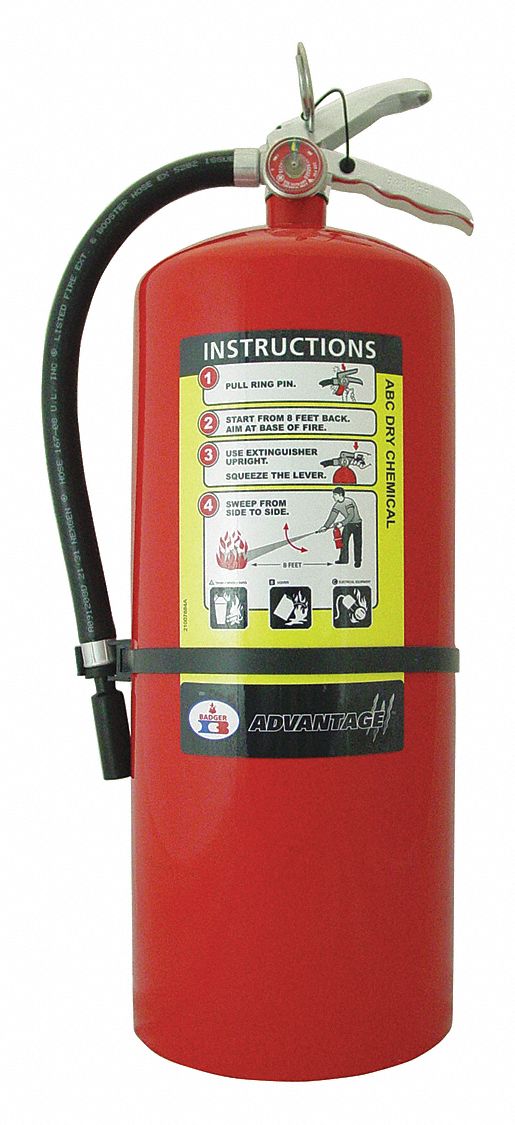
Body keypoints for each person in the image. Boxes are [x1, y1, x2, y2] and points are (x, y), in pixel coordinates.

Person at [317, 487, 362, 566]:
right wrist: (325, 527)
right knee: (343, 542)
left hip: (356, 524)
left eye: (335, 495)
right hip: (348, 524)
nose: (333, 496)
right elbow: (332, 517)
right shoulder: (337, 505)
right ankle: (344, 560)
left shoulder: (348, 502)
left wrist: (342, 523)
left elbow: (351, 515)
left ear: (340, 495)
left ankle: (357, 561)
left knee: (357, 544)